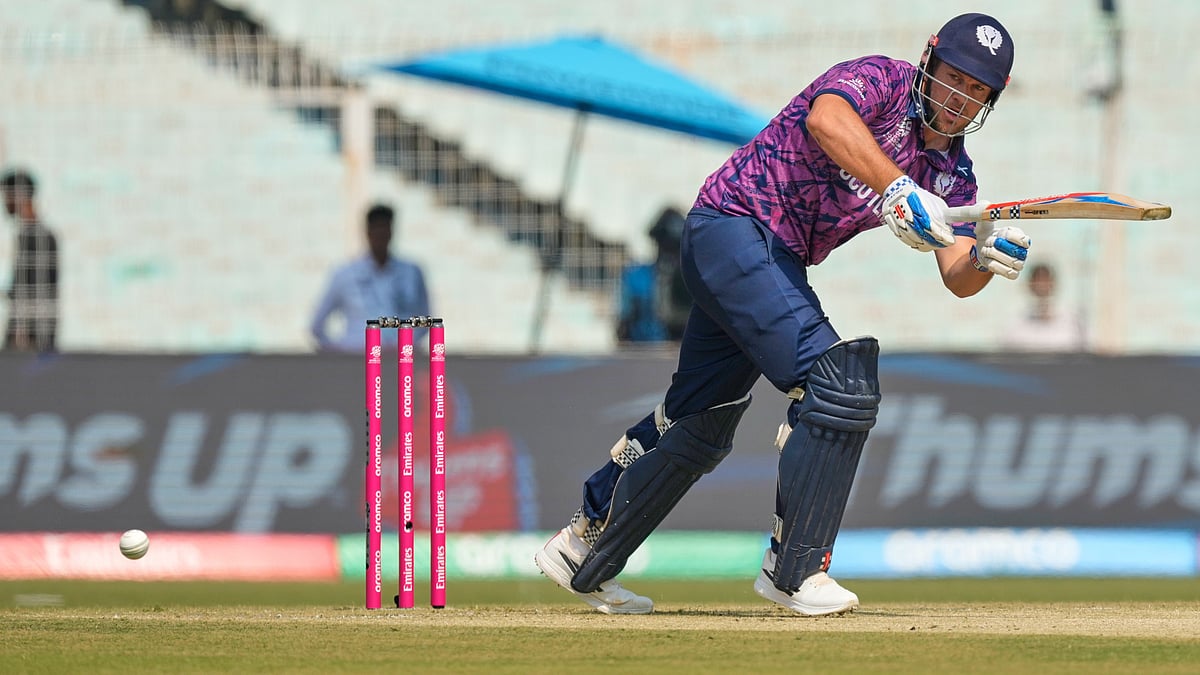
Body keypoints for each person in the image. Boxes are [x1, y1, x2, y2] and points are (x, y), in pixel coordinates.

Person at [534, 13, 1029, 616]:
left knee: (699, 420)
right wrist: (898, 189)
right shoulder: (880, 80)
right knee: (839, 384)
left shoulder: (951, 172)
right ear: (929, 61)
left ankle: (582, 546)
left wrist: (982, 254)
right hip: (733, 226)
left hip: (774, 259)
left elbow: (957, 275)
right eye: (954, 78)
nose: (959, 99)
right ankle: (793, 571)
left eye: (978, 90)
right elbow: (828, 118)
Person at [309, 203, 430, 352]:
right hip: (358, 362)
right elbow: (316, 326)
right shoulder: (345, 274)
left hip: (399, 362)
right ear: (367, 232)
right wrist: (341, 356)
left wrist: (406, 345)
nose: (380, 236)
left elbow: (425, 320)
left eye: (384, 229)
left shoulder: (412, 272)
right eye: (376, 230)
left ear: (391, 232)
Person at [2, 169, 59, 352]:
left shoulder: (38, 236)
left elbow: (36, 294)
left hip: (29, 340)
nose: (5, 203)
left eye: (7, 196)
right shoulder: (30, 234)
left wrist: (22, 339)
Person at [615, 206, 692, 342]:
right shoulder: (636, 278)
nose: (670, 255)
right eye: (665, 246)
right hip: (645, 353)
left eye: (675, 247)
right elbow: (623, 326)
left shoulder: (693, 281)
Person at [1000, 262, 1086, 351]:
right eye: (1038, 281)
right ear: (1030, 285)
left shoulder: (1072, 322)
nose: (1042, 286)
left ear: (1052, 284)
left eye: (1045, 281)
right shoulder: (1017, 323)